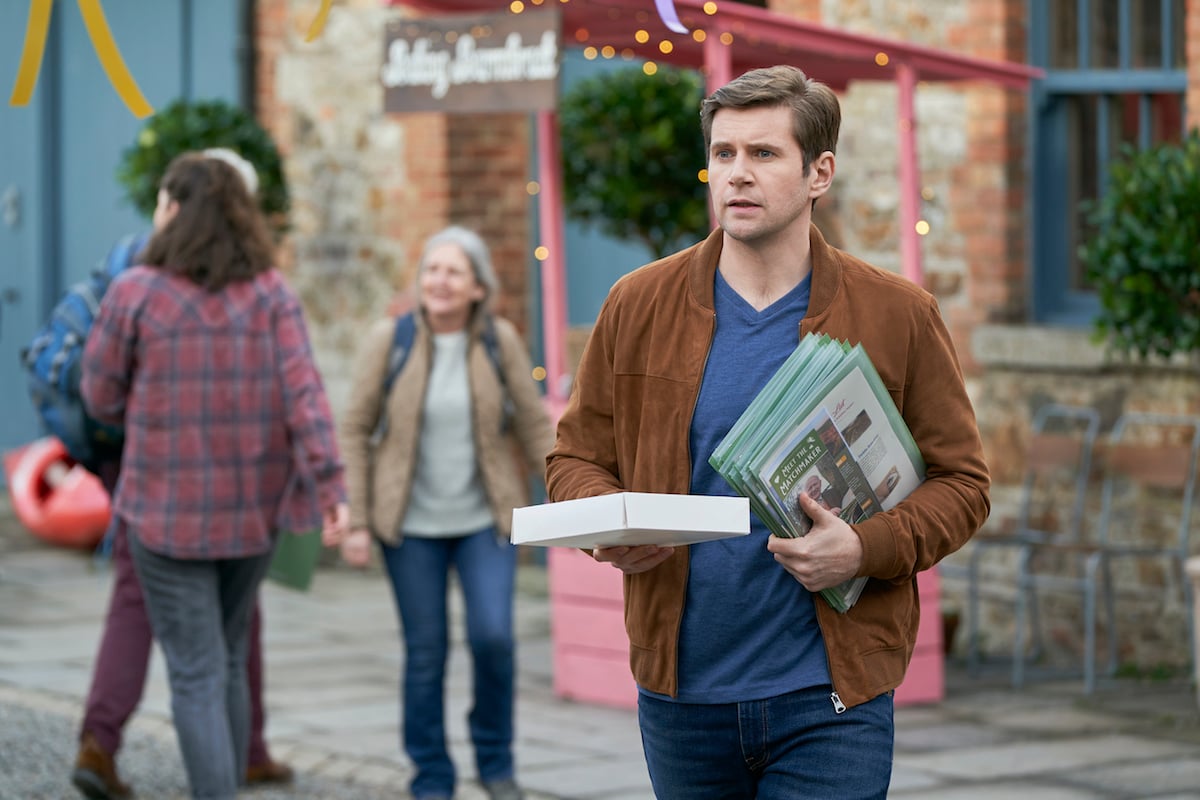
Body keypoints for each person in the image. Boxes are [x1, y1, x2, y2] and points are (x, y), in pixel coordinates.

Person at [546, 65, 990, 799]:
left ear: (820, 172)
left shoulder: (898, 313)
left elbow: (964, 485)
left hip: (831, 694)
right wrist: (609, 524)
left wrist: (864, 548)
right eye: (723, 155)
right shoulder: (637, 304)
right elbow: (576, 458)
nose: (737, 175)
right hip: (682, 697)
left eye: (763, 154)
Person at [81, 152, 348, 800]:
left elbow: (98, 395)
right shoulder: (271, 294)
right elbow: (304, 394)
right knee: (225, 659)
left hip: (163, 515)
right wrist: (331, 486)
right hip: (253, 517)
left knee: (197, 673)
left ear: (172, 209)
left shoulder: (135, 292)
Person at [338, 225, 555, 800]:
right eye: (432, 269)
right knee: (426, 651)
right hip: (409, 528)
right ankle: (431, 774)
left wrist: (572, 494)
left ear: (478, 287)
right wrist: (358, 520)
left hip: (487, 520)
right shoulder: (392, 339)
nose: (439, 280)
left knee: (494, 639)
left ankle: (495, 760)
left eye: (454, 271)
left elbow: (534, 425)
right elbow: (356, 429)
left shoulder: (497, 341)